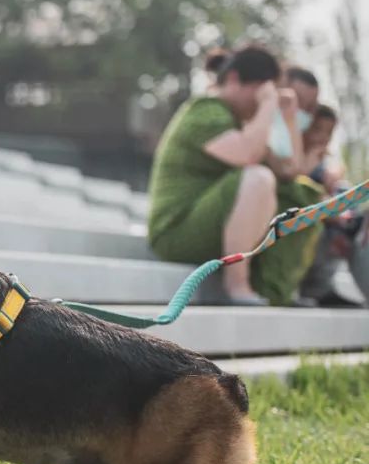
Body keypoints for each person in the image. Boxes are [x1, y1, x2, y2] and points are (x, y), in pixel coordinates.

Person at [148, 45, 323, 306]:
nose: (265, 99)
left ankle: (275, 292)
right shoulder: (204, 110)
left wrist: (287, 117)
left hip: (209, 226)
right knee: (258, 178)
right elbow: (248, 156)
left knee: (298, 194)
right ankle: (237, 285)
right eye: (262, 90)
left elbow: (290, 171)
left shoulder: (242, 124)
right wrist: (267, 105)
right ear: (232, 80)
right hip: (176, 231)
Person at [297, 105, 369, 307]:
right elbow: (300, 186)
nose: (323, 138)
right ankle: (313, 287)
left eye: (329, 133)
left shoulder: (327, 168)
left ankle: (324, 285)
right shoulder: (295, 161)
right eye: (318, 130)